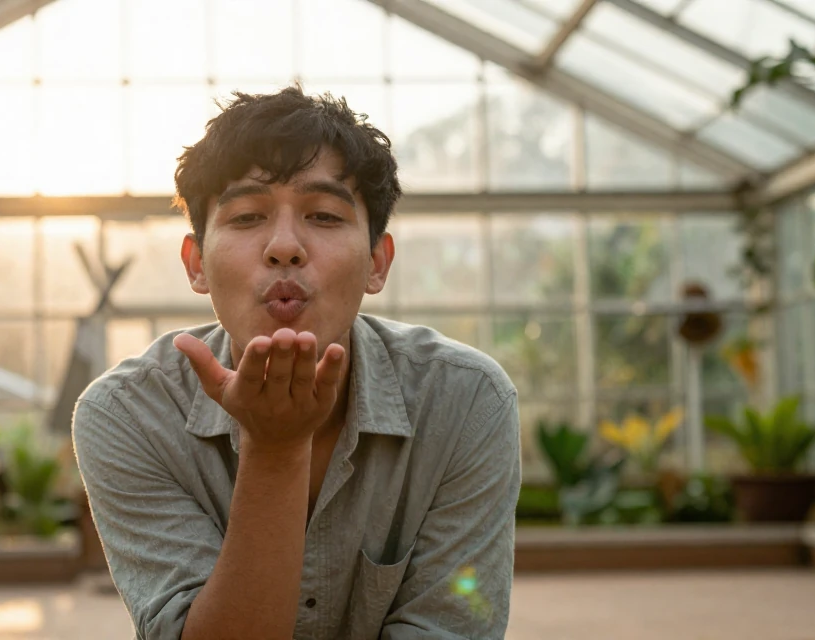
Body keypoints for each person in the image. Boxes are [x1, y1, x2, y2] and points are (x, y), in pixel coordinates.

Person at [72, 86, 521, 639]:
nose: (284, 246)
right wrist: (277, 448)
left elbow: (450, 625)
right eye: (246, 217)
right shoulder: (129, 415)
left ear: (378, 262)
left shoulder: (465, 402)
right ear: (197, 266)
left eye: (325, 216)